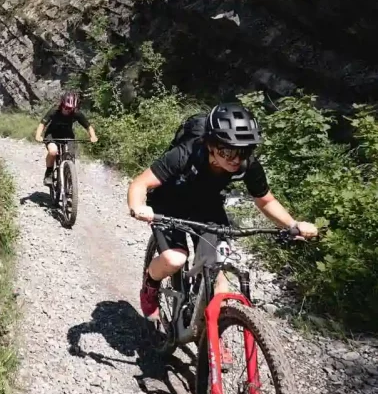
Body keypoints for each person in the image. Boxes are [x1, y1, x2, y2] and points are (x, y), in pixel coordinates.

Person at [127, 101, 318, 317]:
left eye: (244, 151)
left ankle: (213, 341)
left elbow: (265, 200)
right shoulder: (186, 153)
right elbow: (140, 183)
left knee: (219, 271)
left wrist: (293, 225)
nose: (236, 159)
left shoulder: (247, 164)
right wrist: (138, 207)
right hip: (169, 204)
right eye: (227, 151)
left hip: (206, 206)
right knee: (175, 259)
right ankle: (150, 284)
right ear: (210, 144)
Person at [34, 90, 97, 187]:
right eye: (66, 107)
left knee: (70, 156)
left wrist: (93, 136)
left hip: (67, 135)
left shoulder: (76, 113)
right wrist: (38, 135)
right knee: (53, 151)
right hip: (52, 135)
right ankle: (49, 173)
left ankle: (69, 178)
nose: (68, 110)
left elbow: (88, 126)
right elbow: (42, 124)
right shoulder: (54, 111)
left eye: (71, 108)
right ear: (62, 104)